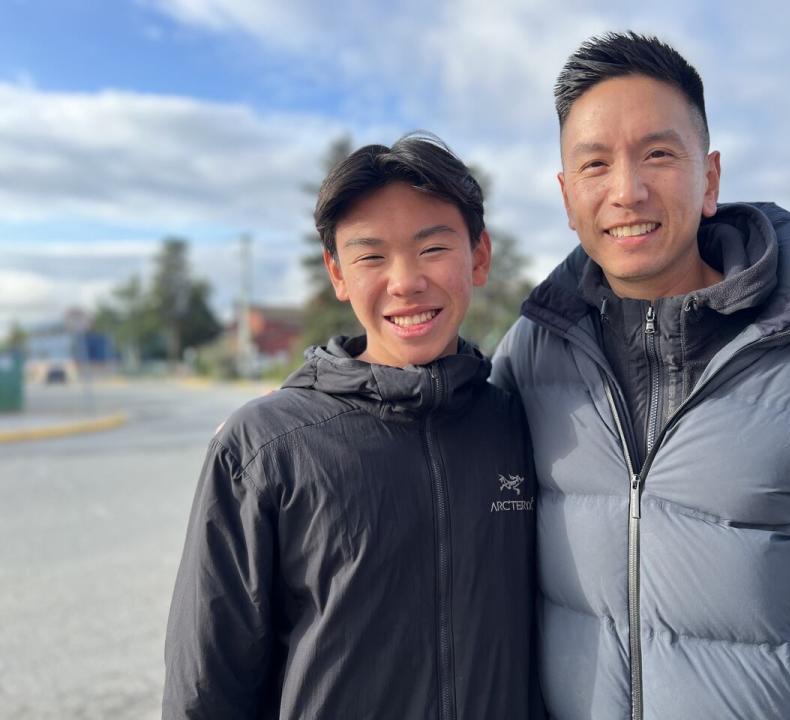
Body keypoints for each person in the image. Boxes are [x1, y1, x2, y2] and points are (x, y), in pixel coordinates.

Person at [492, 32, 790, 719]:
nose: (627, 190)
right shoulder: (531, 355)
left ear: (709, 178)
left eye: (657, 154)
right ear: (567, 197)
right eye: (595, 164)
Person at [163, 134, 539, 719]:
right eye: (371, 256)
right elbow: (207, 687)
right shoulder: (264, 448)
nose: (406, 281)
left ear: (479, 255)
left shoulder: (518, 426)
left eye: (433, 247)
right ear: (337, 274)